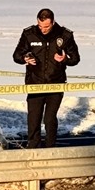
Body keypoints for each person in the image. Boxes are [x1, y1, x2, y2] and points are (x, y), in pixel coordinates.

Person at [12, 8, 80, 148]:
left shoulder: (65, 35)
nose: (43, 29)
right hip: (34, 83)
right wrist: (25, 58)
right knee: (33, 118)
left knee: (49, 118)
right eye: (40, 26)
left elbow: (75, 58)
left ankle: (50, 146)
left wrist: (64, 59)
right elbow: (16, 55)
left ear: (53, 22)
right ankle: (33, 146)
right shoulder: (29, 34)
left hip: (56, 83)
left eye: (47, 26)